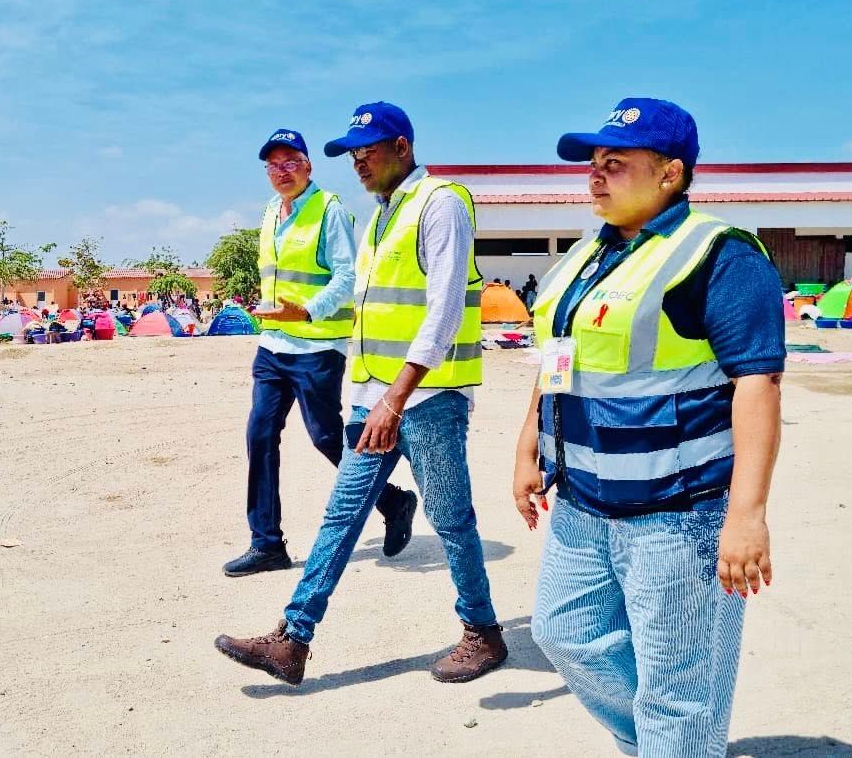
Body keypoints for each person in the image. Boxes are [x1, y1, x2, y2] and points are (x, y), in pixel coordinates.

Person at [514, 98, 785, 756]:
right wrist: (528, 447)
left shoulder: (717, 255)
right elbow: (559, 359)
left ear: (670, 173)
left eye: (615, 162)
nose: (594, 175)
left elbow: (758, 384)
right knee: (564, 633)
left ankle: (677, 742)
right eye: (592, 163)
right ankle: (670, 745)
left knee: (676, 687)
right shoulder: (588, 254)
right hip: (582, 503)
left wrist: (746, 516)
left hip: (677, 515)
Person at [216, 103, 506, 685]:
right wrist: (366, 392)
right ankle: (293, 638)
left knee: (451, 518)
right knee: (341, 516)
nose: (357, 162)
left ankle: (484, 631)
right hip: (373, 397)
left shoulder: (441, 203)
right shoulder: (379, 216)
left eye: (367, 150)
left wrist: (394, 399)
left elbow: (445, 310)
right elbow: (371, 309)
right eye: (352, 154)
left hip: (428, 398)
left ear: (402, 147)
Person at [222, 128, 417, 578]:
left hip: (316, 347)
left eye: (291, 162)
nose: (282, 171)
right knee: (259, 436)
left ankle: (392, 501)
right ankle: (266, 543)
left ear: (308, 166)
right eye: (273, 165)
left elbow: (348, 277)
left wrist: (307, 311)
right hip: (272, 347)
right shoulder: (270, 212)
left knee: (326, 436)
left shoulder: (330, 210)